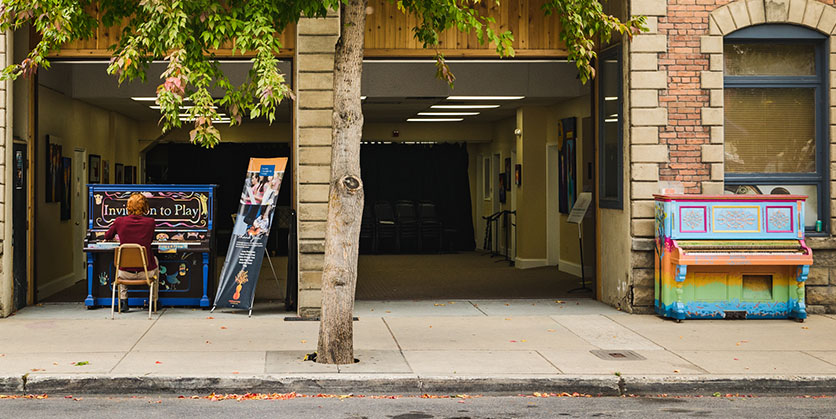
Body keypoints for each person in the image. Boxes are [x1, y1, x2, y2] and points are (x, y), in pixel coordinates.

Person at [104, 193, 158, 312]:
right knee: (155, 261)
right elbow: (150, 240)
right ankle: (153, 301)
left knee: (121, 262)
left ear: (128, 207)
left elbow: (107, 235)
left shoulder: (119, 221)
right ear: (145, 207)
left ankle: (123, 302)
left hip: (125, 274)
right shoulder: (150, 222)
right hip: (146, 273)